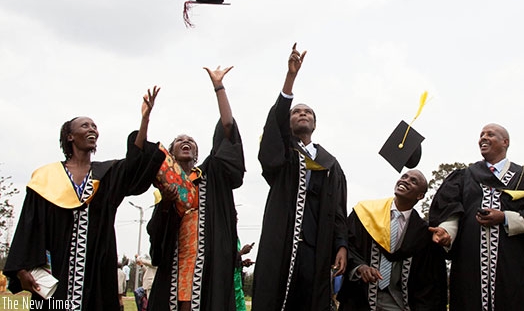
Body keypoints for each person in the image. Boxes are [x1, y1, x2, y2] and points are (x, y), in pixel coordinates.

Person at [3, 87, 166, 310]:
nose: (92, 129)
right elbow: (28, 228)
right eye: (85, 125)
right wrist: (22, 268)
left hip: (98, 271)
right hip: (56, 270)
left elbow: (133, 165)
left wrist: (144, 120)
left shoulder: (106, 174)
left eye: (94, 126)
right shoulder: (47, 178)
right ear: (70, 136)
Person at [252, 44, 348, 311]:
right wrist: (290, 79)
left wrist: (341, 245)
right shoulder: (284, 153)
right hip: (281, 239)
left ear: (314, 124)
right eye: (296, 112)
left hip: (316, 246)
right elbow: (276, 126)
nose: (301, 113)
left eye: (307, 112)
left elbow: (339, 209)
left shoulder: (330, 164)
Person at [147, 66, 245, 311]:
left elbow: (227, 129)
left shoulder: (210, 174)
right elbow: (157, 231)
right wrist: (167, 203)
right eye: (180, 140)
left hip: (210, 259)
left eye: (191, 140)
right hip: (177, 257)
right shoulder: (166, 185)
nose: (186, 141)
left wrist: (219, 88)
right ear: (170, 152)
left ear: (198, 152)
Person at [429, 123, 524, 311]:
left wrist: (505, 217)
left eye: (490, 134)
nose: (483, 138)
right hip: (470, 265)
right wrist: (447, 232)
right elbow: (451, 210)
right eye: (481, 135)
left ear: (505, 142)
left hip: (513, 265)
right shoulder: (464, 177)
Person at [337, 169, 447, 311]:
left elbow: (429, 281)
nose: (406, 180)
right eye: (404, 176)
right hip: (360, 299)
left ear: (420, 196)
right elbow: (347, 245)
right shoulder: (365, 213)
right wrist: (360, 267)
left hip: (399, 304)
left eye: (413, 181)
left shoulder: (423, 233)